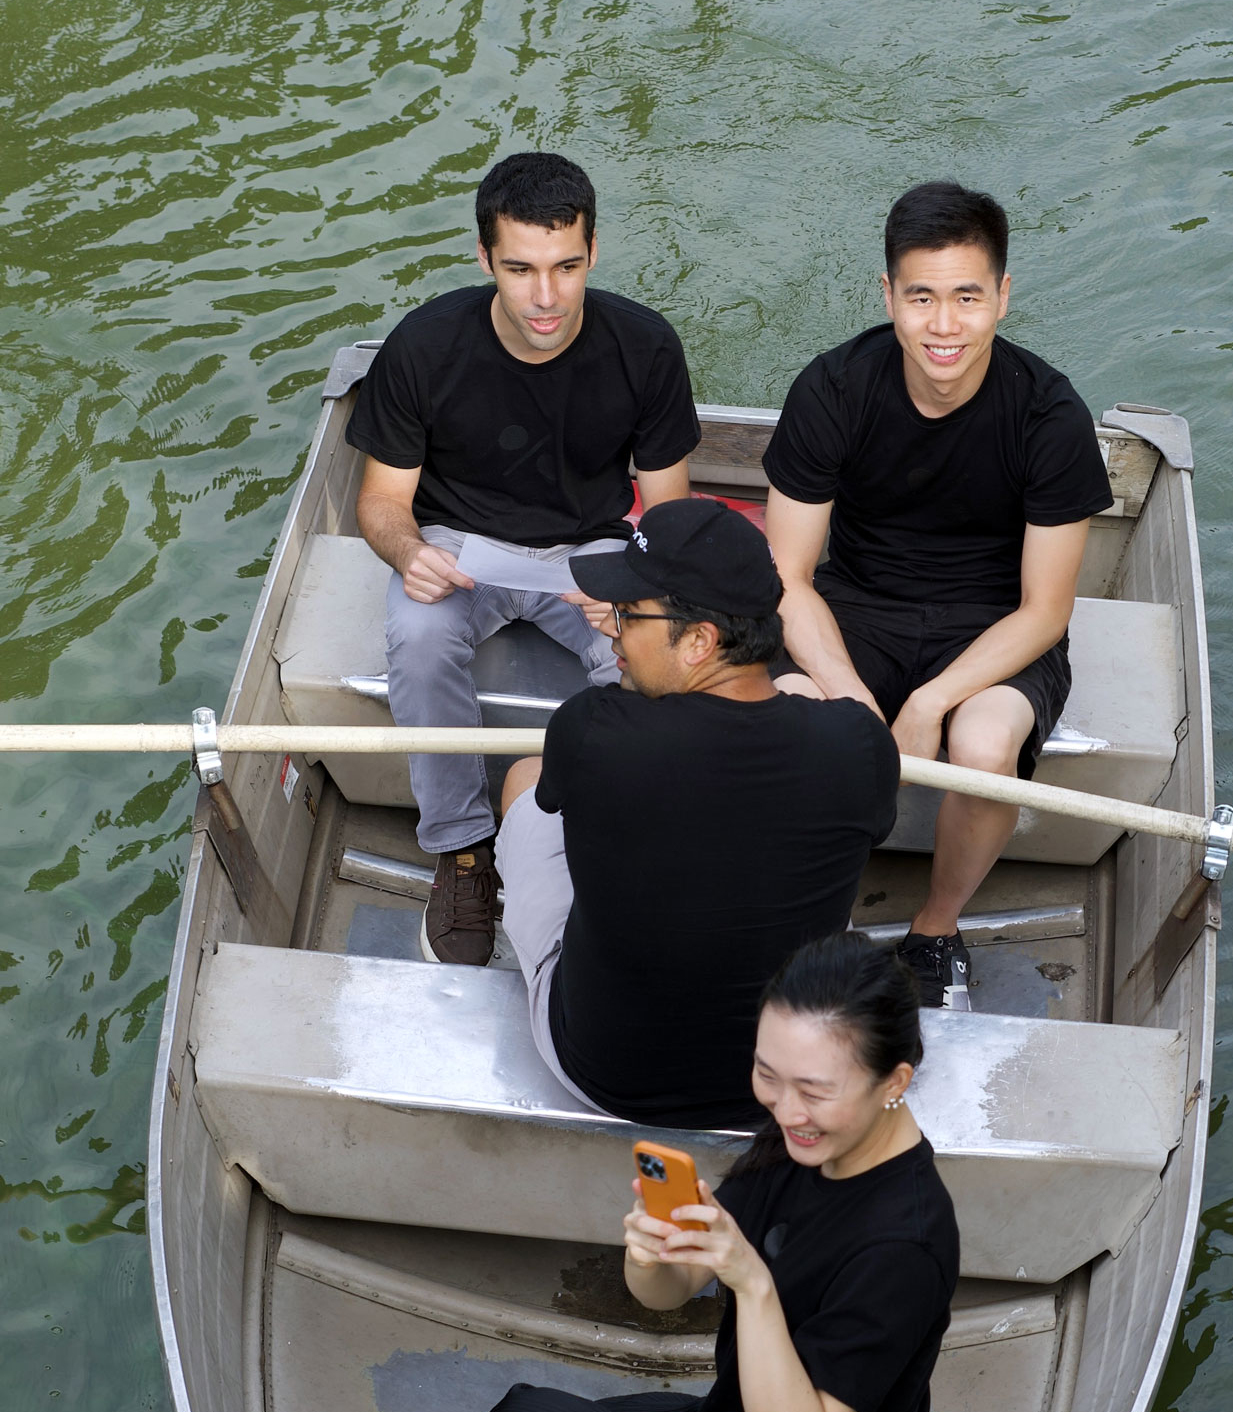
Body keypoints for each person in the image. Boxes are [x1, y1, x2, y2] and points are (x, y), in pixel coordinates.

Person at [328, 933, 960, 1412]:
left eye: (814, 1089)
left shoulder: (904, 1243)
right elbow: (666, 1291)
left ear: (895, 1081)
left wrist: (751, 1283)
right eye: (767, 1073)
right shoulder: (811, 1145)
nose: (786, 1107)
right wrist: (653, 1250)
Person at [764, 180, 1114, 1008]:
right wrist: (852, 701)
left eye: (967, 296)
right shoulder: (834, 389)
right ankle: (812, 921)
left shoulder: (1049, 415)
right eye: (922, 297)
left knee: (986, 742)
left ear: (1002, 295)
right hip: (856, 606)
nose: (945, 325)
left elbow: (1046, 610)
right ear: (889, 295)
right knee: (790, 712)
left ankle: (935, 927)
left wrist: (930, 703)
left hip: (993, 627)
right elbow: (786, 579)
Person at [346, 151, 701, 965]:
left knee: (661, 654)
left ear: (593, 252)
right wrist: (409, 553)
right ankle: (463, 848)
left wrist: (638, 584)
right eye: (521, 269)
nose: (546, 297)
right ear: (484, 259)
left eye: (566, 267)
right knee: (420, 632)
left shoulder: (644, 346)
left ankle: (615, 831)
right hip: (459, 546)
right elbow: (381, 504)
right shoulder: (426, 345)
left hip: (591, 549)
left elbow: (670, 510)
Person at [491, 495, 899, 1128]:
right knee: (798, 700)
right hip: (780, 1091)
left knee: (525, 779)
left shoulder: (591, 730)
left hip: (606, 1071)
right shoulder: (860, 745)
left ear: (700, 641)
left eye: (628, 614)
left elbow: (574, 797)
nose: (610, 629)